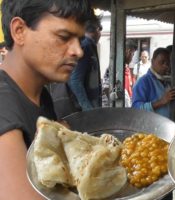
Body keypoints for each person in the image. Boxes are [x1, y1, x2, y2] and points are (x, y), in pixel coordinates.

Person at [0, 0, 92, 199]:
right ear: (19, 31)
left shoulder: (41, 95)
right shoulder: (3, 103)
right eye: (64, 37)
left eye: (79, 39)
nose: (78, 51)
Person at [68, 15, 103, 111]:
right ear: (96, 29)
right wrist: (87, 108)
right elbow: (75, 80)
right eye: (100, 30)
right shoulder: (86, 46)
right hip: (87, 109)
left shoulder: (90, 46)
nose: (100, 34)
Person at [124, 39, 137, 107]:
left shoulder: (127, 68)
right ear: (129, 52)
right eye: (133, 54)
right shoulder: (116, 68)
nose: (132, 57)